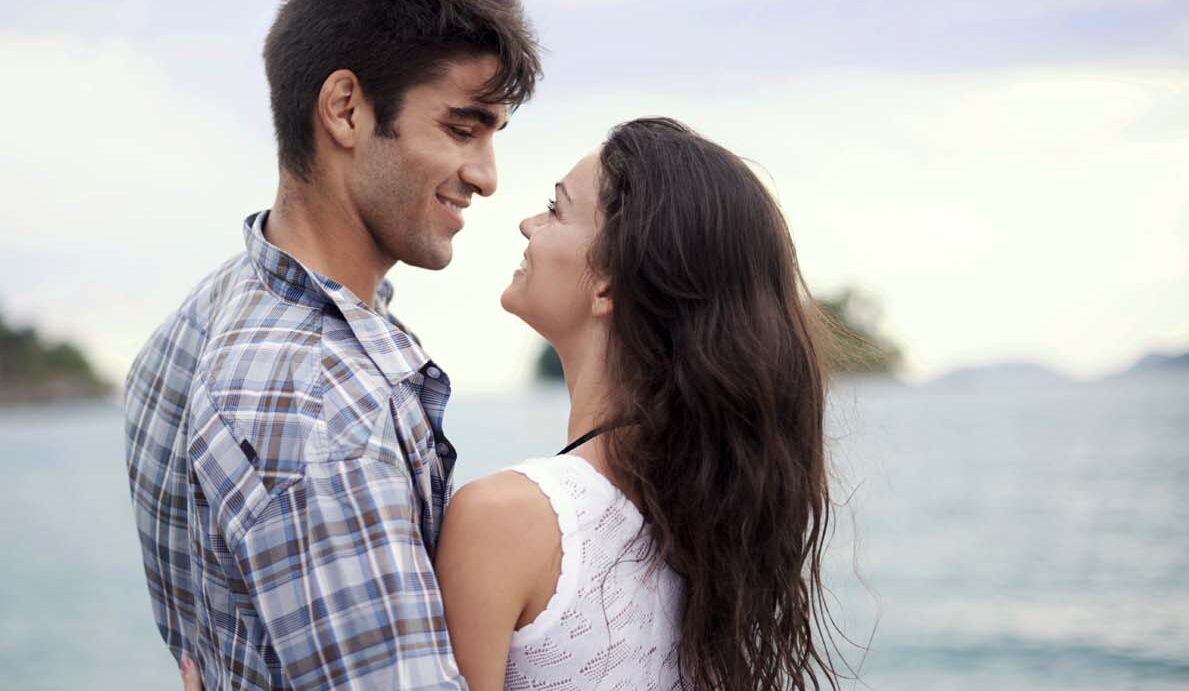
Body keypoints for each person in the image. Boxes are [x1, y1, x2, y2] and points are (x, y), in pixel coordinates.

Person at [182, 118, 844, 690]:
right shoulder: (705, 517)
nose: (527, 222)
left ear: (608, 280)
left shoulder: (507, 519)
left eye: (556, 209)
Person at [123, 1, 541, 688]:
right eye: (462, 129)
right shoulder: (327, 414)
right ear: (345, 109)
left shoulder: (196, 322)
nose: (486, 176)